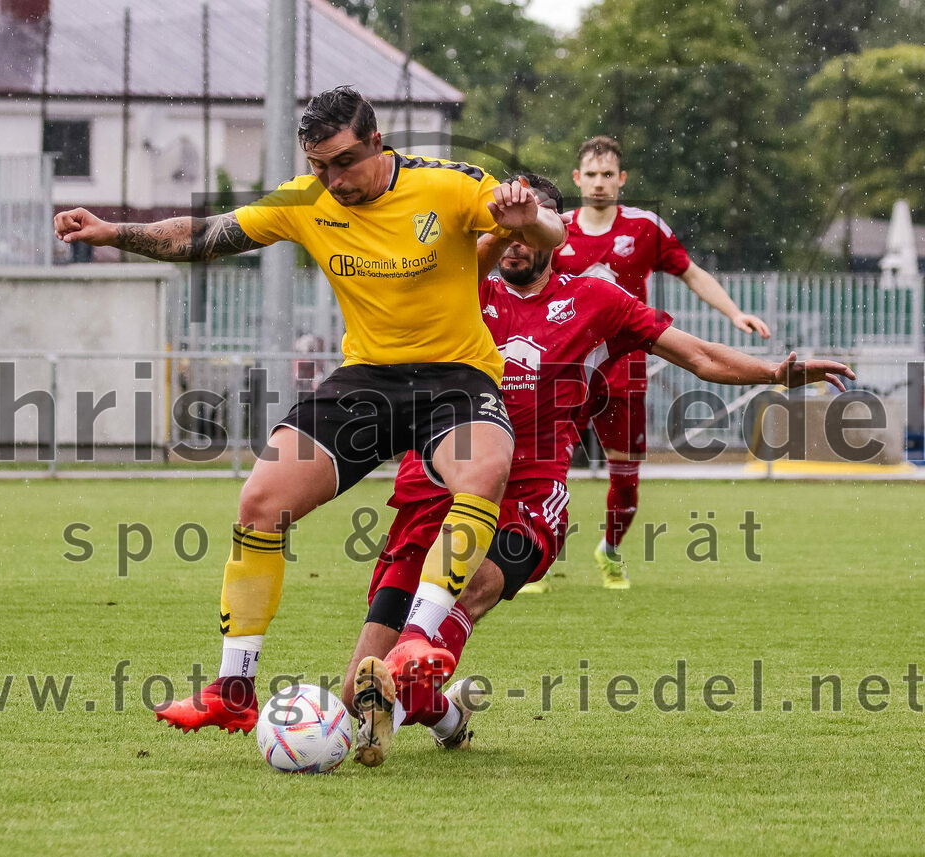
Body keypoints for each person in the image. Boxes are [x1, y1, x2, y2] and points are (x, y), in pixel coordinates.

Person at [53, 86, 566, 735]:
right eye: (319, 165)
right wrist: (110, 231)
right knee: (260, 500)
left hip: (455, 376)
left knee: (483, 468)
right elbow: (206, 235)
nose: (332, 179)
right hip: (368, 378)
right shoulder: (306, 199)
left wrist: (529, 216)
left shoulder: (451, 185)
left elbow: (550, 230)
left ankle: (417, 638)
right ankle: (233, 688)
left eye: (344, 162)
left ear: (377, 143)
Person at [346, 174, 854, 766]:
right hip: (432, 480)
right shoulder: (462, 289)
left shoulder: (596, 302)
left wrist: (773, 374)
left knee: (473, 586)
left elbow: (697, 354)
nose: (513, 239)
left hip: (529, 491)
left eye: (529, 226)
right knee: (361, 682)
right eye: (503, 227)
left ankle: (417, 653)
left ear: (555, 234)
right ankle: (443, 711)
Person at [537, 135, 774, 590]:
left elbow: (691, 272)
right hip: (568, 368)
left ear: (622, 180)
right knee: (545, 469)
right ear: (576, 178)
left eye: (608, 175)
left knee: (625, 479)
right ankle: (538, 559)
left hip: (624, 369)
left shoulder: (645, 227)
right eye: (591, 174)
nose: (600, 183)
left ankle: (609, 550)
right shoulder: (556, 230)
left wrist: (734, 312)